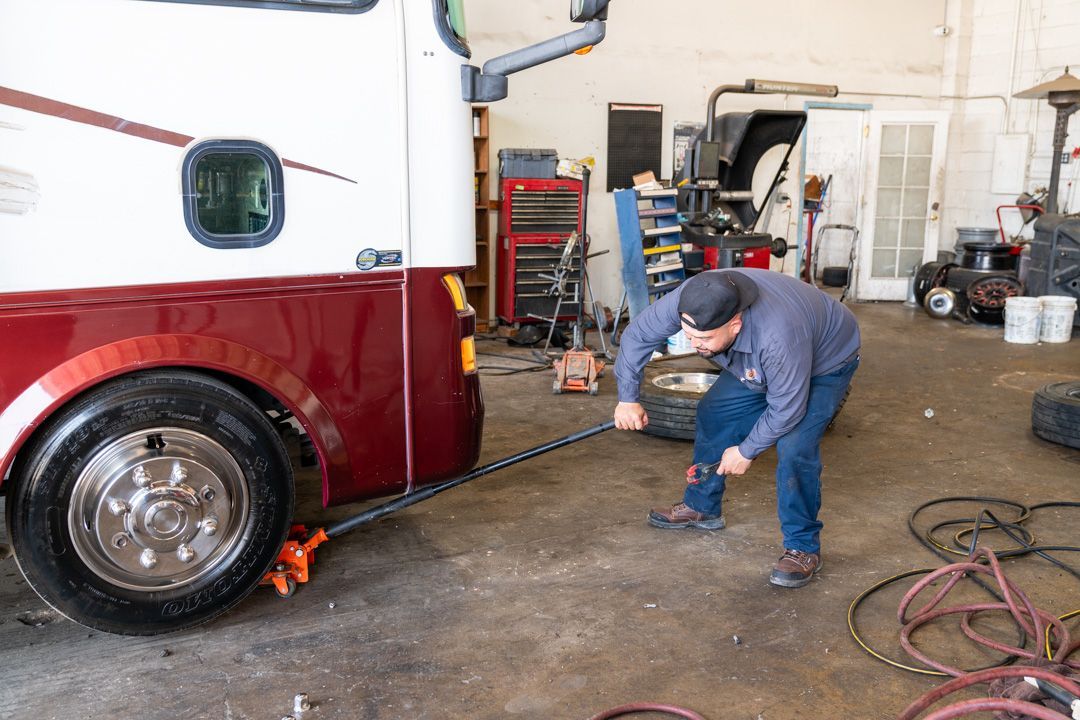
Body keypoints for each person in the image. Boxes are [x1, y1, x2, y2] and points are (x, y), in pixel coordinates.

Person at [613, 268, 860, 588]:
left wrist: (747, 450)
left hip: (826, 359)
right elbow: (638, 335)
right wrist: (628, 399)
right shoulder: (694, 296)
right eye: (688, 334)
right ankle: (702, 507)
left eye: (703, 339)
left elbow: (787, 408)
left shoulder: (778, 336)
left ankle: (802, 547)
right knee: (715, 412)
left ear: (735, 323)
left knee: (794, 446)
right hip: (770, 352)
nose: (693, 344)